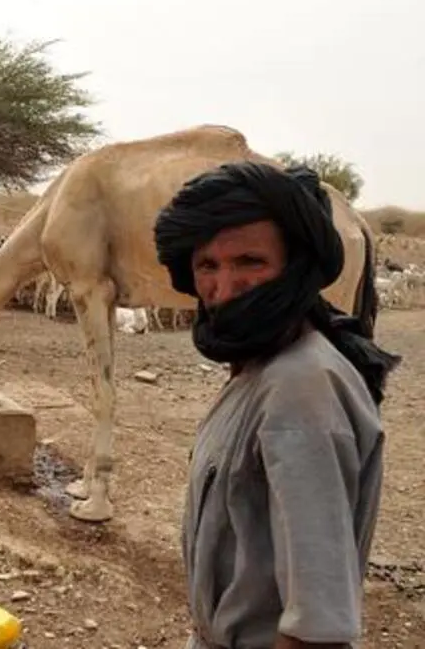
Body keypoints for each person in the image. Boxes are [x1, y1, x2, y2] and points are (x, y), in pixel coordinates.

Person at [152, 161, 401, 649]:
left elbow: (316, 630)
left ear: (295, 268)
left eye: (250, 262)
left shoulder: (300, 388)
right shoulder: (262, 370)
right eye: (208, 266)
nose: (224, 288)